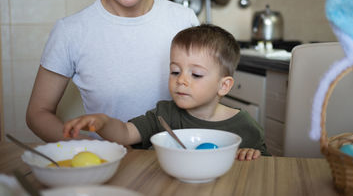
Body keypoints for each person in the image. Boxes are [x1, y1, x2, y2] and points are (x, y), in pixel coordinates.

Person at [26, 0, 199, 142]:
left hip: (178, 161)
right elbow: (38, 113)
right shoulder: (71, 31)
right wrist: (87, 148)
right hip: (108, 167)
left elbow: (207, 99)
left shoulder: (184, 20)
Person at [64, 24, 269, 161]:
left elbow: (267, 168)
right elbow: (125, 134)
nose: (181, 80)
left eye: (196, 74)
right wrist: (102, 122)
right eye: (175, 71)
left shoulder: (246, 128)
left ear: (223, 86)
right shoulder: (164, 114)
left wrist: (250, 155)